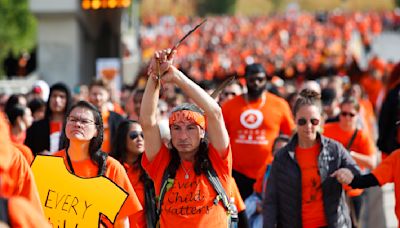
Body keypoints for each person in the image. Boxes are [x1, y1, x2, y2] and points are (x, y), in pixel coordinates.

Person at [140, 49, 232, 227]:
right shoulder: (162, 163)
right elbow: (147, 122)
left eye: (191, 128)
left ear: (203, 132)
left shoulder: (218, 161)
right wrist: (155, 76)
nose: (183, 136)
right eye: (176, 128)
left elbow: (215, 113)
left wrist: (176, 77)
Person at [263, 89, 360, 228]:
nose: (308, 127)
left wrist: (348, 173)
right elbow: (271, 200)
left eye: (314, 121)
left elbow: (356, 172)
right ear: (294, 119)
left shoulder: (334, 149)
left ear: (321, 120)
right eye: (302, 121)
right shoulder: (282, 157)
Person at [54, 100, 142, 227]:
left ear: (96, 130)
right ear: (66, 124)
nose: (77, 124)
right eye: (73, 119)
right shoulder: (50, 163)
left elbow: (122, 221)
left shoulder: (112, 167)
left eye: (84, 121)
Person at [222, 63, 295, 199]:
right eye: (252, 79)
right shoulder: (229, 106)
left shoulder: (279, 105)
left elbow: (290, 135)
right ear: (245, 80)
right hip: (236, 173)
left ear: (266, 80)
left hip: (269, 171)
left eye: (260, 79)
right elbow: (220, 138)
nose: (256, 83)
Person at [324, 96, 376, 225]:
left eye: (351, 115)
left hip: (354, 191)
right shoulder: (327, 130)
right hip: (331, 189)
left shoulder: (362, 136)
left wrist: (350, 154)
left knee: (354, 224)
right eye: (343, 114)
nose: (347, 118)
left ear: (357, 115)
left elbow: (372, 162)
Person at [332, 147, 400, 223]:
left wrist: (353, 180)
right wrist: (352, 179)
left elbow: (371, 177)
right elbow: (372, 179)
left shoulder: (397, 157)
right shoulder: (397, 157)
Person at [111, 120, 156, 228]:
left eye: (142, 135)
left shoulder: (149, 171)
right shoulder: (110, 168)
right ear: (122, 139)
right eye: (133, 135)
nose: (139, 139)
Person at [25, 82, 72, 155]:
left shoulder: (72, 127)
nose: (57, 100)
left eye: (62, 96)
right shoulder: (36, 127)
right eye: (54, 96)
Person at [88, 79, 125, 153]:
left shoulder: (118, 119)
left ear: (107, 95)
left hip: (112, 161)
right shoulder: (83, 118)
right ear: (89, 95)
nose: (98, 98)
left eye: (101, 94)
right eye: (94, 94)